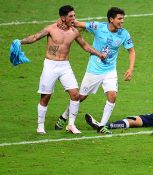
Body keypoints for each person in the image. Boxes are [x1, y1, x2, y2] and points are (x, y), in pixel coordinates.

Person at [17, 5, 106, 134]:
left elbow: (85, 46)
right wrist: (20, 42)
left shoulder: (74, 32)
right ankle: (40, 126)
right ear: (63, 17)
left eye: (74, 16)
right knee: (45, 96)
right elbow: (35, 37)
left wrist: (99, 54)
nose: (74, 18)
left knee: (75, 95)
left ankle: (71, 125)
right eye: (71, 16)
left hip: (65, 66)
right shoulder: (51, 29)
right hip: (50, 65)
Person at [55, 7, 136, 134]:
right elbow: (77, 23)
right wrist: (60, 22)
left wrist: (130, 69)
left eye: (122, 18)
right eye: (119, 18)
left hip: (110, 71)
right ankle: (64, 116)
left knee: (112, 96)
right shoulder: (98, 27)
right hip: (94, 69)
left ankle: (102, 126)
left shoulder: (124, 34)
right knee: (80, 97)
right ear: (111, 19)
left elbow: (131, 51)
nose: (122, 21)